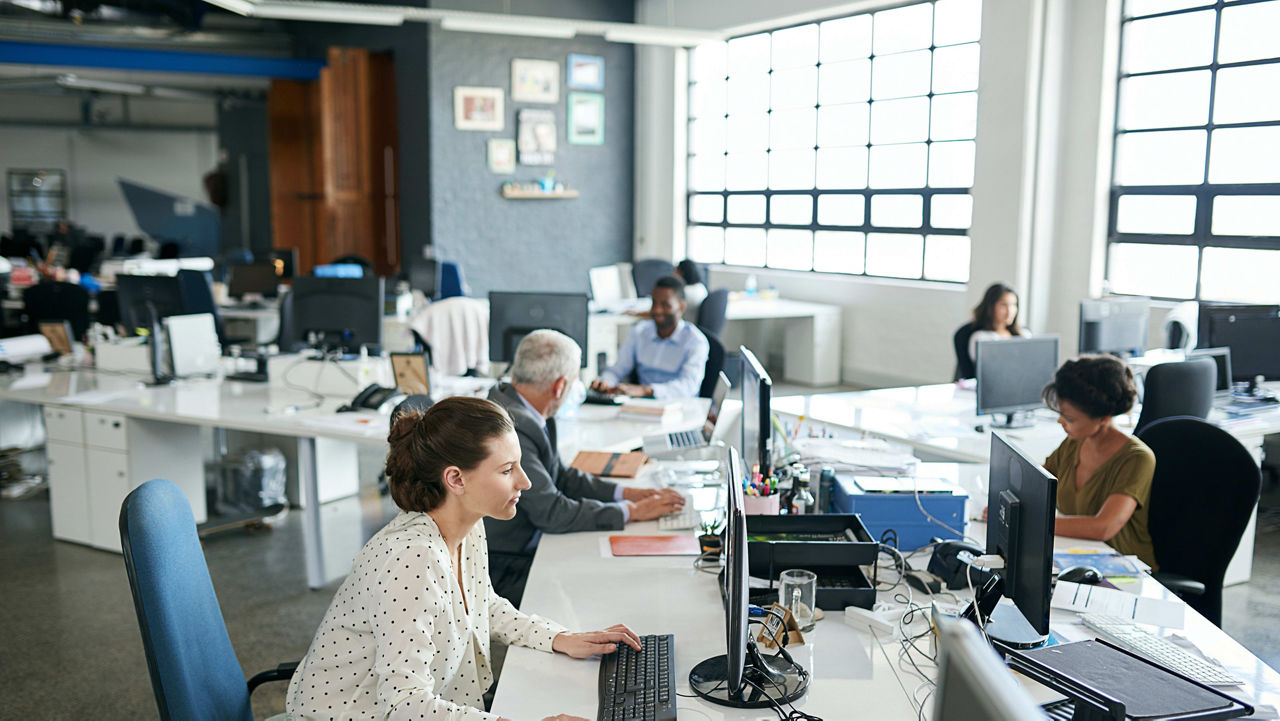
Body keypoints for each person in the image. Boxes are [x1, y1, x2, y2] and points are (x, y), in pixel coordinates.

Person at [286, 396, 642, 721]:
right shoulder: (411, 558)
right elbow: (404, 705)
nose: (526, 482)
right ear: (455, 479)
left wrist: (559, 637)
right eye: (507, 470)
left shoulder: (466, 526)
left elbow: (482, 605)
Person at [486, 330, 685, 604]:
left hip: (530, 543)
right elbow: (552, 512)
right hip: (507, 563)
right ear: (560, 387)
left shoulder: (524, 407)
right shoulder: (513, 427)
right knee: (604, 586)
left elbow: (562, 477)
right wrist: (633, 512)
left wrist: (626, 494)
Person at [1042, 355, 1158, 570]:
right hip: (1077, 556)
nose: (1061, 421)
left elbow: (1103, 527)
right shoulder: (1074, 441)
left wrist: (1035, 523)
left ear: (1103, 418)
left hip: (1121, 570)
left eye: (1070, 418)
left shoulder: (1137, 458)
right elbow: (1037, 479)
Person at [591, 276, 710, 399]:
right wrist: (605, 381)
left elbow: (688, 387)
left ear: (681, 307)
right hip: (643, 406)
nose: (657, 310)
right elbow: (618, 369)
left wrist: (647, 390)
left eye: (665, 305)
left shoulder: (696, 341)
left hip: (679, 406)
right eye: (654, 303)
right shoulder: (639, 332)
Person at [967, 282, 1031, 362]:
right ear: (991, 306)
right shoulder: (981, 338)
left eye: (1013, 305)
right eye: (1003, 305)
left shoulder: (1024, 334)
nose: (1009, 311)